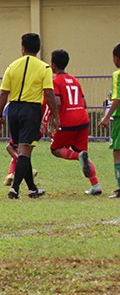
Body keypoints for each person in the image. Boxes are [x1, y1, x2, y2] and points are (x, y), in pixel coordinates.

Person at [0, 32, 58, 199]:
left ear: (22, 48)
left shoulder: (12, 66)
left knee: (23, 150)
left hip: (14, 110)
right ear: (38, 48)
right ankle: (15, 189)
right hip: (31, 110)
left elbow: (3, 94)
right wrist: (55, 117)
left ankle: (32, 189)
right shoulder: (44, 68)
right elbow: (49, 94)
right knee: (25, 151)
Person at [45, 49, 101, 195]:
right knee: (82, 151)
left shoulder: (55, 81)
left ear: (53, 65)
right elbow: (84, 102)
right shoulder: (75, 80)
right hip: (83, 119)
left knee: (55, 149)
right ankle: (96, 185)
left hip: (67, 121)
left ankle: (78, 157)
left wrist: (53, 120)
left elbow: (56, 102)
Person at [98, 42, 120, 198]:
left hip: (119, 118)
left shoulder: (117, 74)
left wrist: (106, 117)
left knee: (117, 151)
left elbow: (117, 97)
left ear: (116, 58)